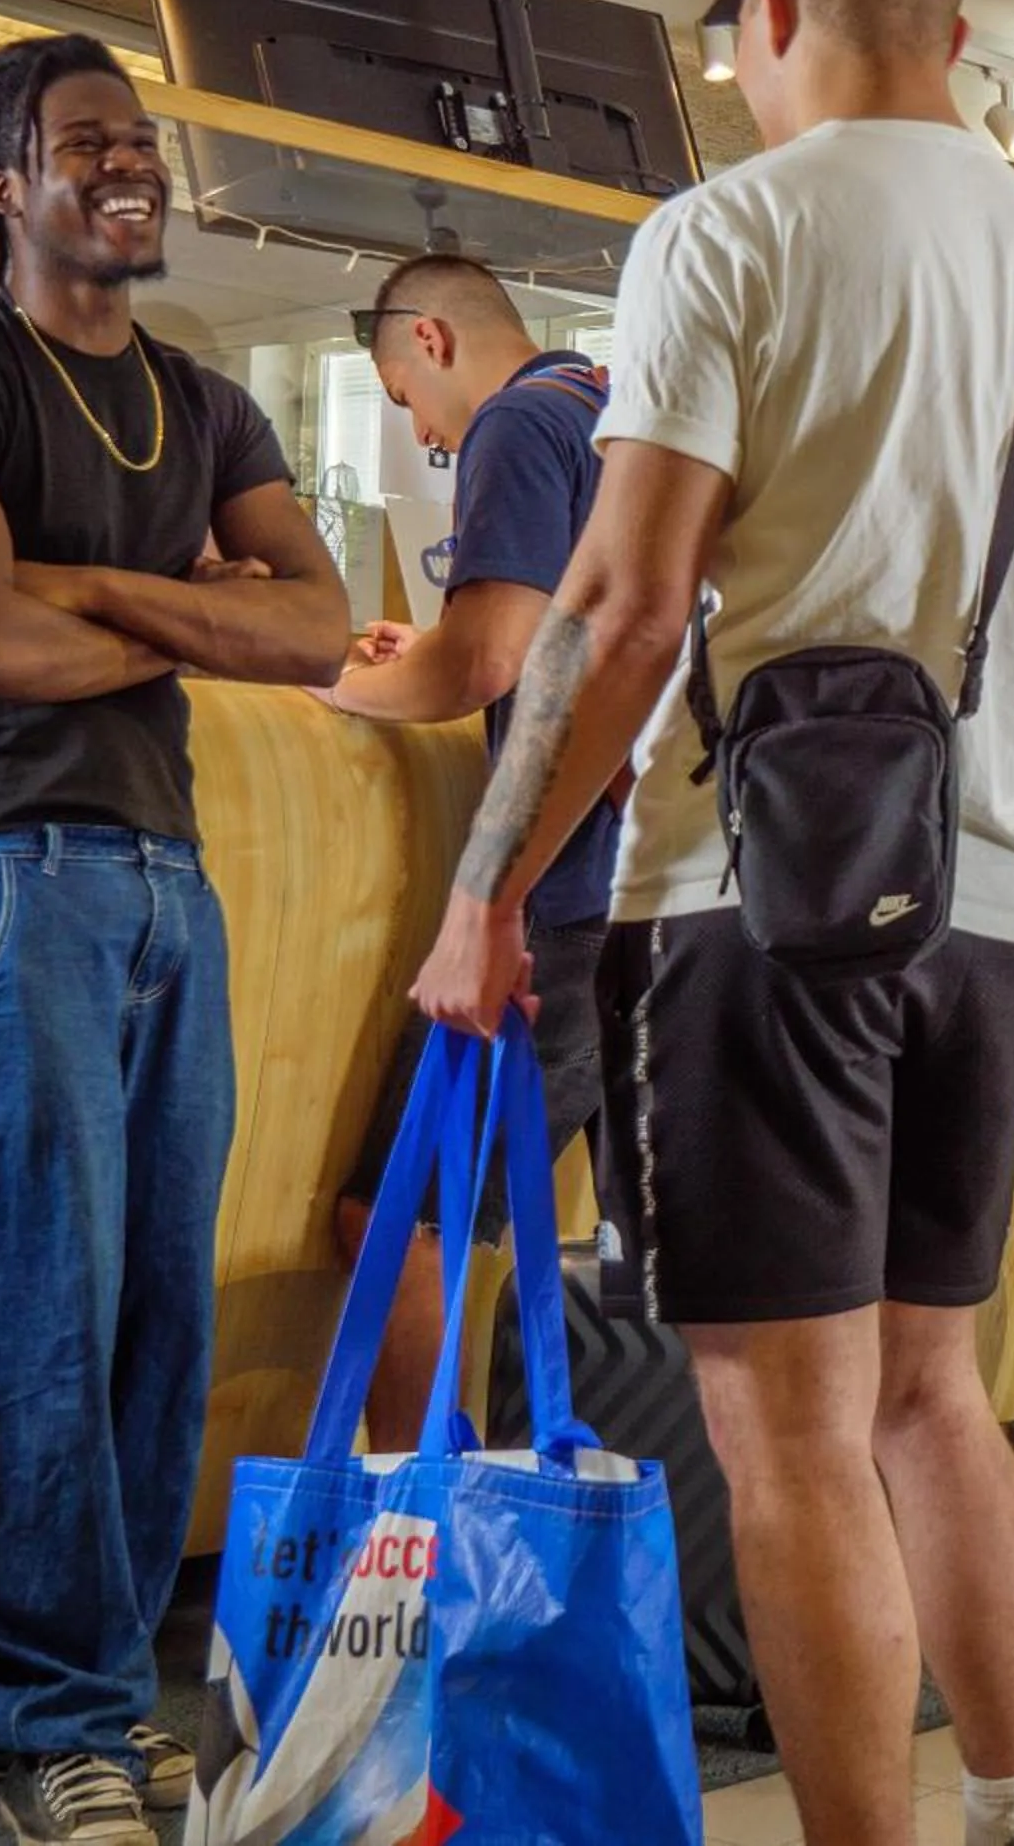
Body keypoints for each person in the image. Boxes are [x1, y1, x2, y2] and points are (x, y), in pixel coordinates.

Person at [407, 0, 1014, 1846]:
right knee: (935, 1397)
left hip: (759, 904)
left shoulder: (724, 235)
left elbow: (624, 607)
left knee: (792, 1435)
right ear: (962, 35)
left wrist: (485, 890)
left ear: (763, 16)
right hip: (999, 901)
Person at [0, 34, 351, 1846]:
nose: (130, 167)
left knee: (157, 1309)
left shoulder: (207, 404)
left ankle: (87, 1698)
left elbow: (322, 631)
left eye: (142, 142)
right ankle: (48, 1713)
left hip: (161, 879)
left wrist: (94, 591)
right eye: (90, 144)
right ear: (10, 187)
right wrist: (196, 616)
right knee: (37, 1309)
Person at [318, 252, 617, 1447]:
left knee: (401, 1222)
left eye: (402, 399)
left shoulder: (517, 426)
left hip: (569, 893)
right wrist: (433, 643)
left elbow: (492, 662)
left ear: (430, 343)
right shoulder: (609, 413)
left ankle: (416, 1555)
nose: (425, 437)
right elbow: (551, 637)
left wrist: (320, 671)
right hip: (671, 886)